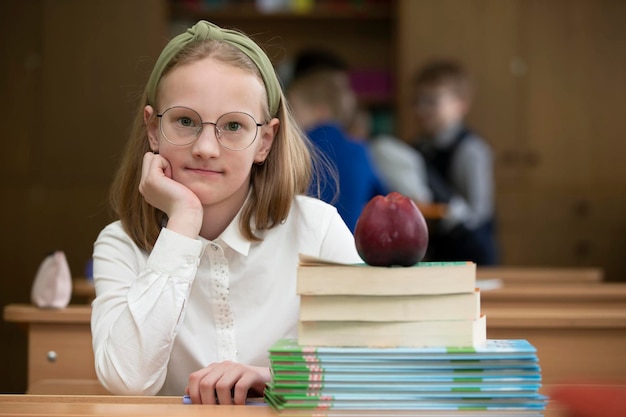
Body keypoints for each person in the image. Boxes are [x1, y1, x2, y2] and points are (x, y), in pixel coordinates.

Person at [91, 21, 362, 405]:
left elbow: (370, 364)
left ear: (265, 141)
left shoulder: (316, 229)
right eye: (185, 121)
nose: (205, 147)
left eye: (233, 126)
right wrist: (183, 222)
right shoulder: (120, 244)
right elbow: (127, 381)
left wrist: (273, 378)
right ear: (153, 129)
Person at [411, 60, 498, 265]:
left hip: (471, 253)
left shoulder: (470, 149)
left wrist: (446, 211)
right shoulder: (417, 148)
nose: (421, 109)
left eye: (431, 101)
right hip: (438, 253)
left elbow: (479, 212)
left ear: (461, 104)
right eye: (417, 101)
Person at [287, 69, 388, 232]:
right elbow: (382, 199)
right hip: (349, 247)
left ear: (320, 111)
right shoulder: (360, 151)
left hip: (302, 246)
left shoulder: (294, 149)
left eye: (293, 110)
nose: (289, 119)